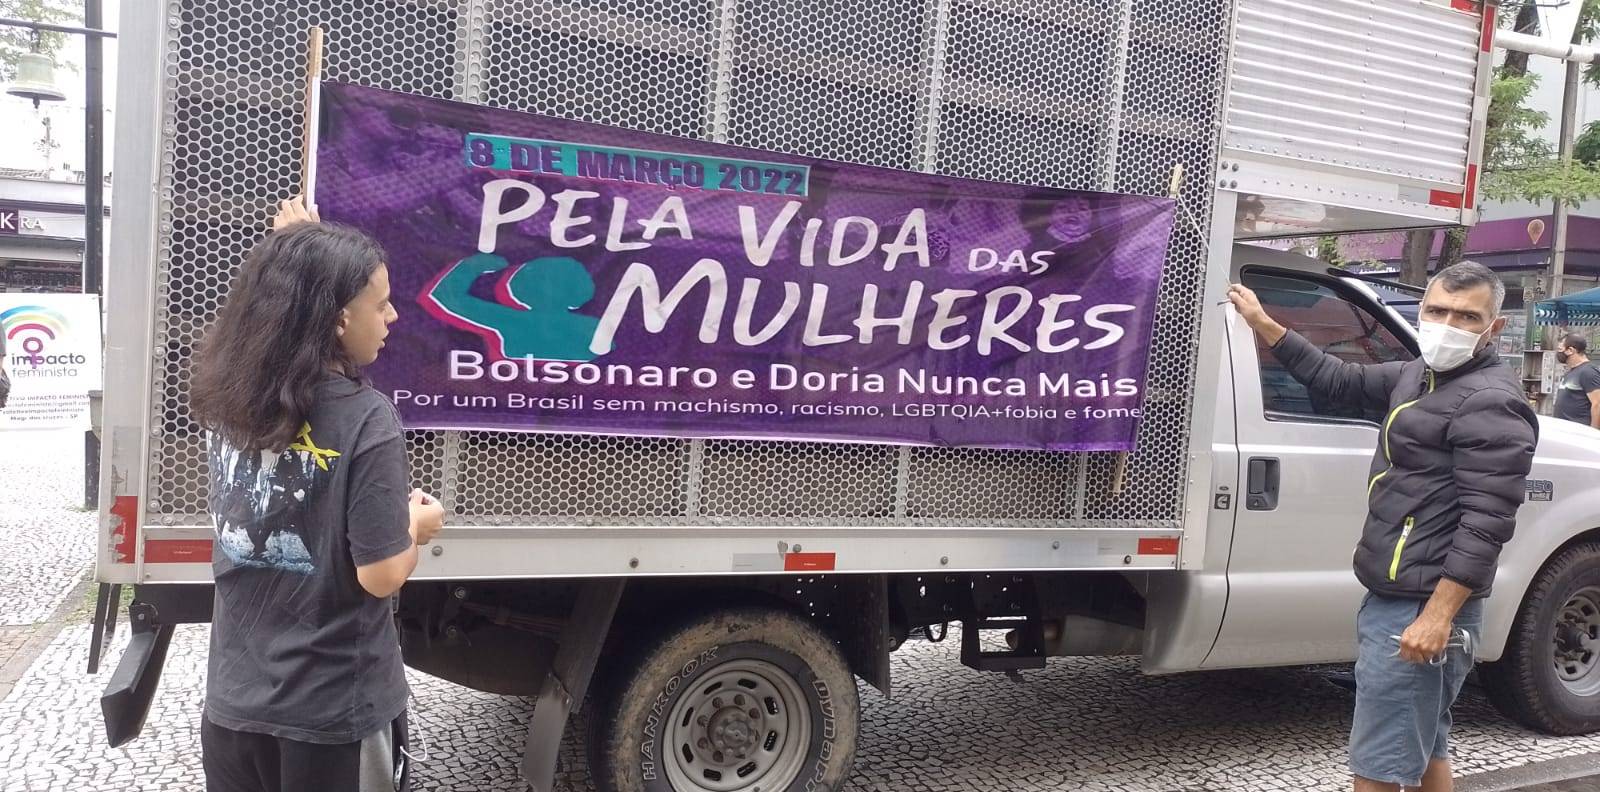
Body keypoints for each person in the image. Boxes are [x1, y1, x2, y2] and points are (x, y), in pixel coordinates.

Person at [1228, 261, 1537, 792]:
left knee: (1378, 764)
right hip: (1402, 596)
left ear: (1495, 327)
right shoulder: (1420, 375)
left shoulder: (1491, 400)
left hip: (1421, 604)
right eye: (1437, 310)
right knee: (1425, 745)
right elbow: (1337, 379)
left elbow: (1487, 523)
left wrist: (1437, 617)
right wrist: (1263, 323)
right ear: (1420, 312)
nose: (1447, 325)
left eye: (1466, 316)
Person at [190, 197, 445, 792]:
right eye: (380, 304)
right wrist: (415, 526)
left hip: (232, 706)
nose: (393, 317)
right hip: (331, 715)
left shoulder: (226, 398)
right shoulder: (367, 418)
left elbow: (290, 301)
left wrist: (307, 253)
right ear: (336, 320)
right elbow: (381, 575)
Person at [1553, 332, 1600, 430]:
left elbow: (1597, 404)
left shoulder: (1588, 372)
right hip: (1565, 430)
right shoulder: (1571, 372)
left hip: (1579, 432)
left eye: (1560, 349)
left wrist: (1593, 433)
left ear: (1570, 350)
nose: (1558, 353)